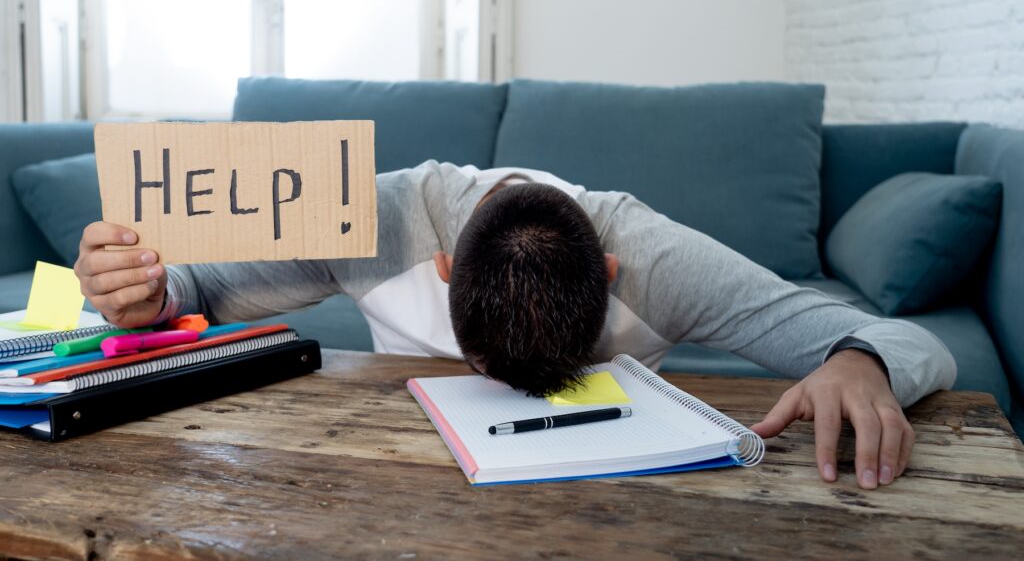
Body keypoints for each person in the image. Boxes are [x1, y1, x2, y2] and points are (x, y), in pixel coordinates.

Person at [74, 161, 956, 490]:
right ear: (446, 269)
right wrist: (144, 288)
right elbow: (199, 288)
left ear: (608, 280)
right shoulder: (372, 217)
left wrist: (860, 360)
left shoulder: (654, 259)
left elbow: (919, 341)